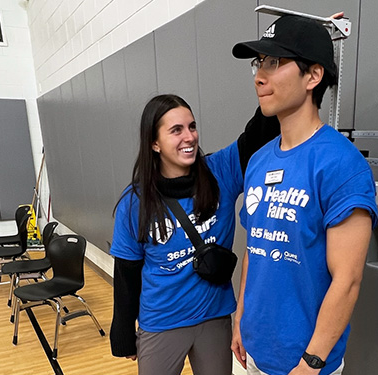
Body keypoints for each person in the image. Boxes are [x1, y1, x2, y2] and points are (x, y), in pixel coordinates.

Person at [230, 14, 378, 375]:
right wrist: (240, 318)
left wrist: (311, 363)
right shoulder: (259, 161)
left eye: (275, 62)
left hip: (304, 362)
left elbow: (347, 280)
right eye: (258, 63)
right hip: (252, 350)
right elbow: (256, 248)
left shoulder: (342, 165)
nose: (260, 76)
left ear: (313, 76)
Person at [109, 94, 279, 375]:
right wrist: (124, 331)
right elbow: (126, 272)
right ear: (154, 142)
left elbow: (261, 130)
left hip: (214, 318)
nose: (189, 137)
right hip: (162, 322)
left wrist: (276, 82)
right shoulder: (135, 202)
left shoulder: (220, 171)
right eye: (176, 130)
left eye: (192, 126)